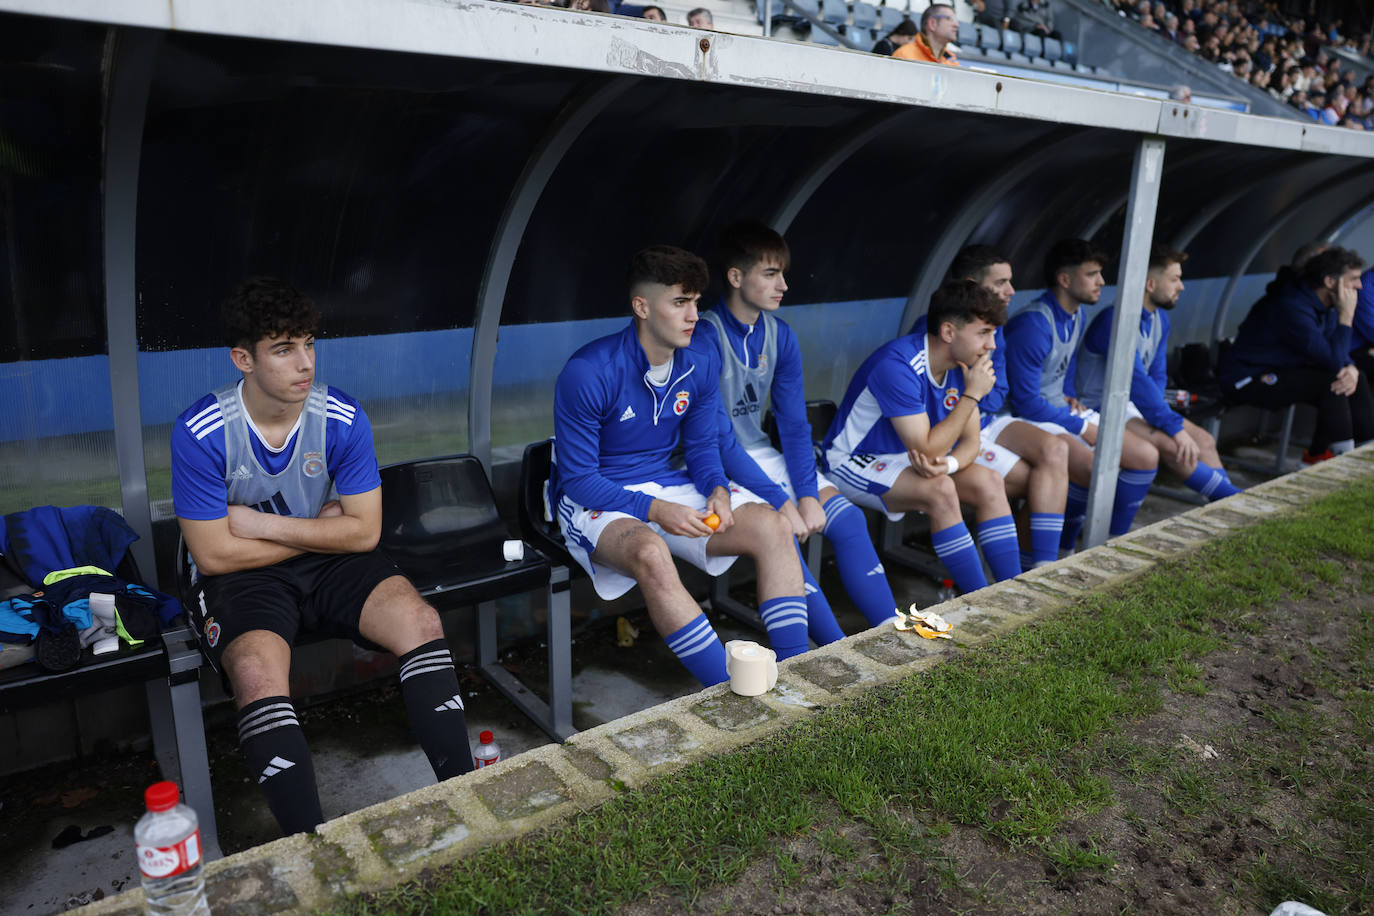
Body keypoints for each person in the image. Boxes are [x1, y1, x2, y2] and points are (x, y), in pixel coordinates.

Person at [172, 278, 473, 837]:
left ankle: (469, 796)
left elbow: (365, 535)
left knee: (421, 621)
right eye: (284, 349)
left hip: (323, 560)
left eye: (309, 344)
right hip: (243, 575)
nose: (304, 362)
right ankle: (309, 848)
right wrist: (323, 526)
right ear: (243, 359)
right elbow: (213, 555)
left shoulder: (340, 414)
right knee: (259, 677)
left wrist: (261, 522)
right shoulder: (202, 430)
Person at [552, 246, 811, 683]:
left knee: (774, 526)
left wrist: (718, 489)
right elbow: (578, 479)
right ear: (642, 307)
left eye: (695, 301)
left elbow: (703, 448)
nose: (693, 315)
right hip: (597, 494)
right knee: (651, 553)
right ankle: (734, 694)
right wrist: (656, 512)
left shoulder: (699, 364)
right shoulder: (589, 370)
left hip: (666, 483)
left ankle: (798, 675)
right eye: (679, 302)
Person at [698, 221, 897, 629]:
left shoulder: (780, 335)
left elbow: (793, 426)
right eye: (771, 274)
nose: (784, 285)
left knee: (847, 518)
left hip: (758, 455)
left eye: (783, 274)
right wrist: (783, 503)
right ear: (736, 277)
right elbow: (717, 441)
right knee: (782, 536)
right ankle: (836, 649)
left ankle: (898, 636)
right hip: (710, 465)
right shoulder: (704, 335)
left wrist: (806, 495)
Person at [823, 280, 1022, 596]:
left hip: (909, 456)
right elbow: (927, 449)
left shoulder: (963, 365)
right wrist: (971, 395)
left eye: (993, 333)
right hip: (854, 459)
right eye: (984, 333)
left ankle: (1015, 592)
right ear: (948, 332)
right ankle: (983, 599)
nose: (992, 345)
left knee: (990, 482)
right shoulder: (898, 365)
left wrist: (950, 465)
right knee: (940, 491)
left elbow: (971, 443)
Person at [909, 246, 1069, 570]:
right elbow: (935, 399)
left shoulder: (996, 330)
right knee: (1032, 481)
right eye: (1001, 283)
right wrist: (974, 392)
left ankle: (1042, 567)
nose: (1010, 291)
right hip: (951, 424)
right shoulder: (937, 329)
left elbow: (999, 393)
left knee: (1054, 452)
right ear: (972, 284)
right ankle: (1014, 568)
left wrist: (978, 393)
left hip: (984, 416)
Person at [1003, 239, 1160, 549]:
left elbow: (1068, 365)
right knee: (1091, 467)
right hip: (1026, 418)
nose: (1101, 282)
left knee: (1144, 456)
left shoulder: (1077, 315)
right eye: (1092, 274)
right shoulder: (1033, 324)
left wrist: (1070, 393)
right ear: (1065, 279)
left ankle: (1102, 540)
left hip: (1058, 409)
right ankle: (1034, 551)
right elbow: (1025, 402)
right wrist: (1081, 426)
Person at [1075, 245, 1241, 502]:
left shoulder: (1159, 319)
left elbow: (1157, 376)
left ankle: (1228, 506)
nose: (1181, 286)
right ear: (1150, 284)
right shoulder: (1115, 321)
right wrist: (1172, 427)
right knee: (1175, 446)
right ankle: (1237, 504)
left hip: (1131, 405)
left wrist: (1162, 416)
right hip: (1099, 406)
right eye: (1174, 279)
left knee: (1204, 440)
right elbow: (1138, 382)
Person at [1218, 245, 1374, 461]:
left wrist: (1351, 367)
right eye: (1353, 279)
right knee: (1332, 384)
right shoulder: (1292, 306)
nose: (1359, 285)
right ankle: (1342, 464)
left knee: (1355, 379)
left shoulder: (1326, 303)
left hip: (1284, 369)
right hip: (1248, 377)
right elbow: (1330, 360)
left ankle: (1366, 459)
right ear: (1330, 282)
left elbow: (1334, 352)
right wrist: (1346, 316)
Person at [893, 3, 960, 65]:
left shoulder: (951, 60)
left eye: (956, 20)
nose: (956, 25)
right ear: (933, 24)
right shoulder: (904, 56)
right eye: (949, 19)